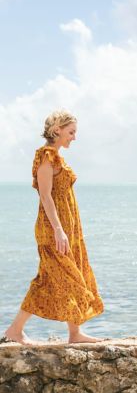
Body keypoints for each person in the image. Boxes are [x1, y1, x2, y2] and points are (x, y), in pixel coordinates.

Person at [2, 110, 104, 344]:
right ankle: (16, 330)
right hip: (53, 229)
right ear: (57, 130)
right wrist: (58, 230)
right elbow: (46, 197)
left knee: (59, 277)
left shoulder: (57, 157)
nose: (74, 137)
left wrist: (67, 230)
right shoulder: (47, 156)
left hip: (67, 228)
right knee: (65, 278)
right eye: (71, 132)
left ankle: (73, 333)